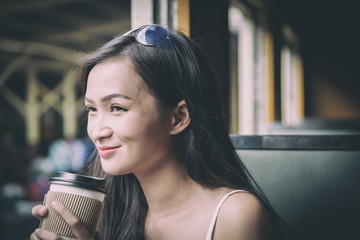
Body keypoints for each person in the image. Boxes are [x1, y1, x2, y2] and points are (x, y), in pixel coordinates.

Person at [31, 24, 281, 240]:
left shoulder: (235, 215)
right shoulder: (103, 210)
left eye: (117, 108)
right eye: (91, 109)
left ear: (178, 118)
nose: (96, 131)